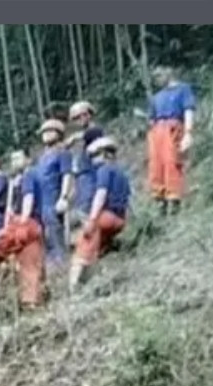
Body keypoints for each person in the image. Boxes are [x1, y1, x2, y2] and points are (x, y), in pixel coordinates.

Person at [0, 162, 47, 310]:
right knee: (30, 266)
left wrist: (22, 219)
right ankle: (31, 302)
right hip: (36, 227)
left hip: (25, 223)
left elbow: (28, 197)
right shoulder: (27, 179)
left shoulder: (27, 177)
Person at [70, 136, 130, 292]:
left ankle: (74, 284)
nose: (93, 159)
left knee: (86, 240)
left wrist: (92, 219)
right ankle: (98, 271)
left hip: (106, 216)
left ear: (106, 154)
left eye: (96, 155)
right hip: (120, 219)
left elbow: (101, 195)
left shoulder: (104, 170)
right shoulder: (121, 172)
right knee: (99, 243)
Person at [146, 65, 196, 216]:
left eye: (160, 75)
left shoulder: (183, 89)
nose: (157, 78)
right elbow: (151, 119)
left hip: (173, 128)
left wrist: (188, 133)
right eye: (154, 77)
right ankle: (159, 201)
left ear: (169, 73)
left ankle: (174, 200)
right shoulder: (156, 97)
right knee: (156, 165)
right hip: (157, 132)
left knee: (172, 162)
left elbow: (188, 110)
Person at [33, 119, 74, 268]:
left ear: (59, 133)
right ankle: (52, 265)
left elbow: (67, 175)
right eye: (43, 132)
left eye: (49, 131)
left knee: (56, 232)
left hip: (54, 197)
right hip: (42, 201)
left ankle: (62, 263)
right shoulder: (42, 157)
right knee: (45, 236)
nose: (45, 135)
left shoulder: (63, 153)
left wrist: (64, 196)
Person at [65, 101, 106, 235]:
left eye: (84, 115)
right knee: (82, 209)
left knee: (88, 209)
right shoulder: (83, 138)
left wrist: (74, 138)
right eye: (77, 117)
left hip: (94, 175)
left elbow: (93, 133)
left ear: (89, 115)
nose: (81, 119)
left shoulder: (95, 131)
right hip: (83, 178)